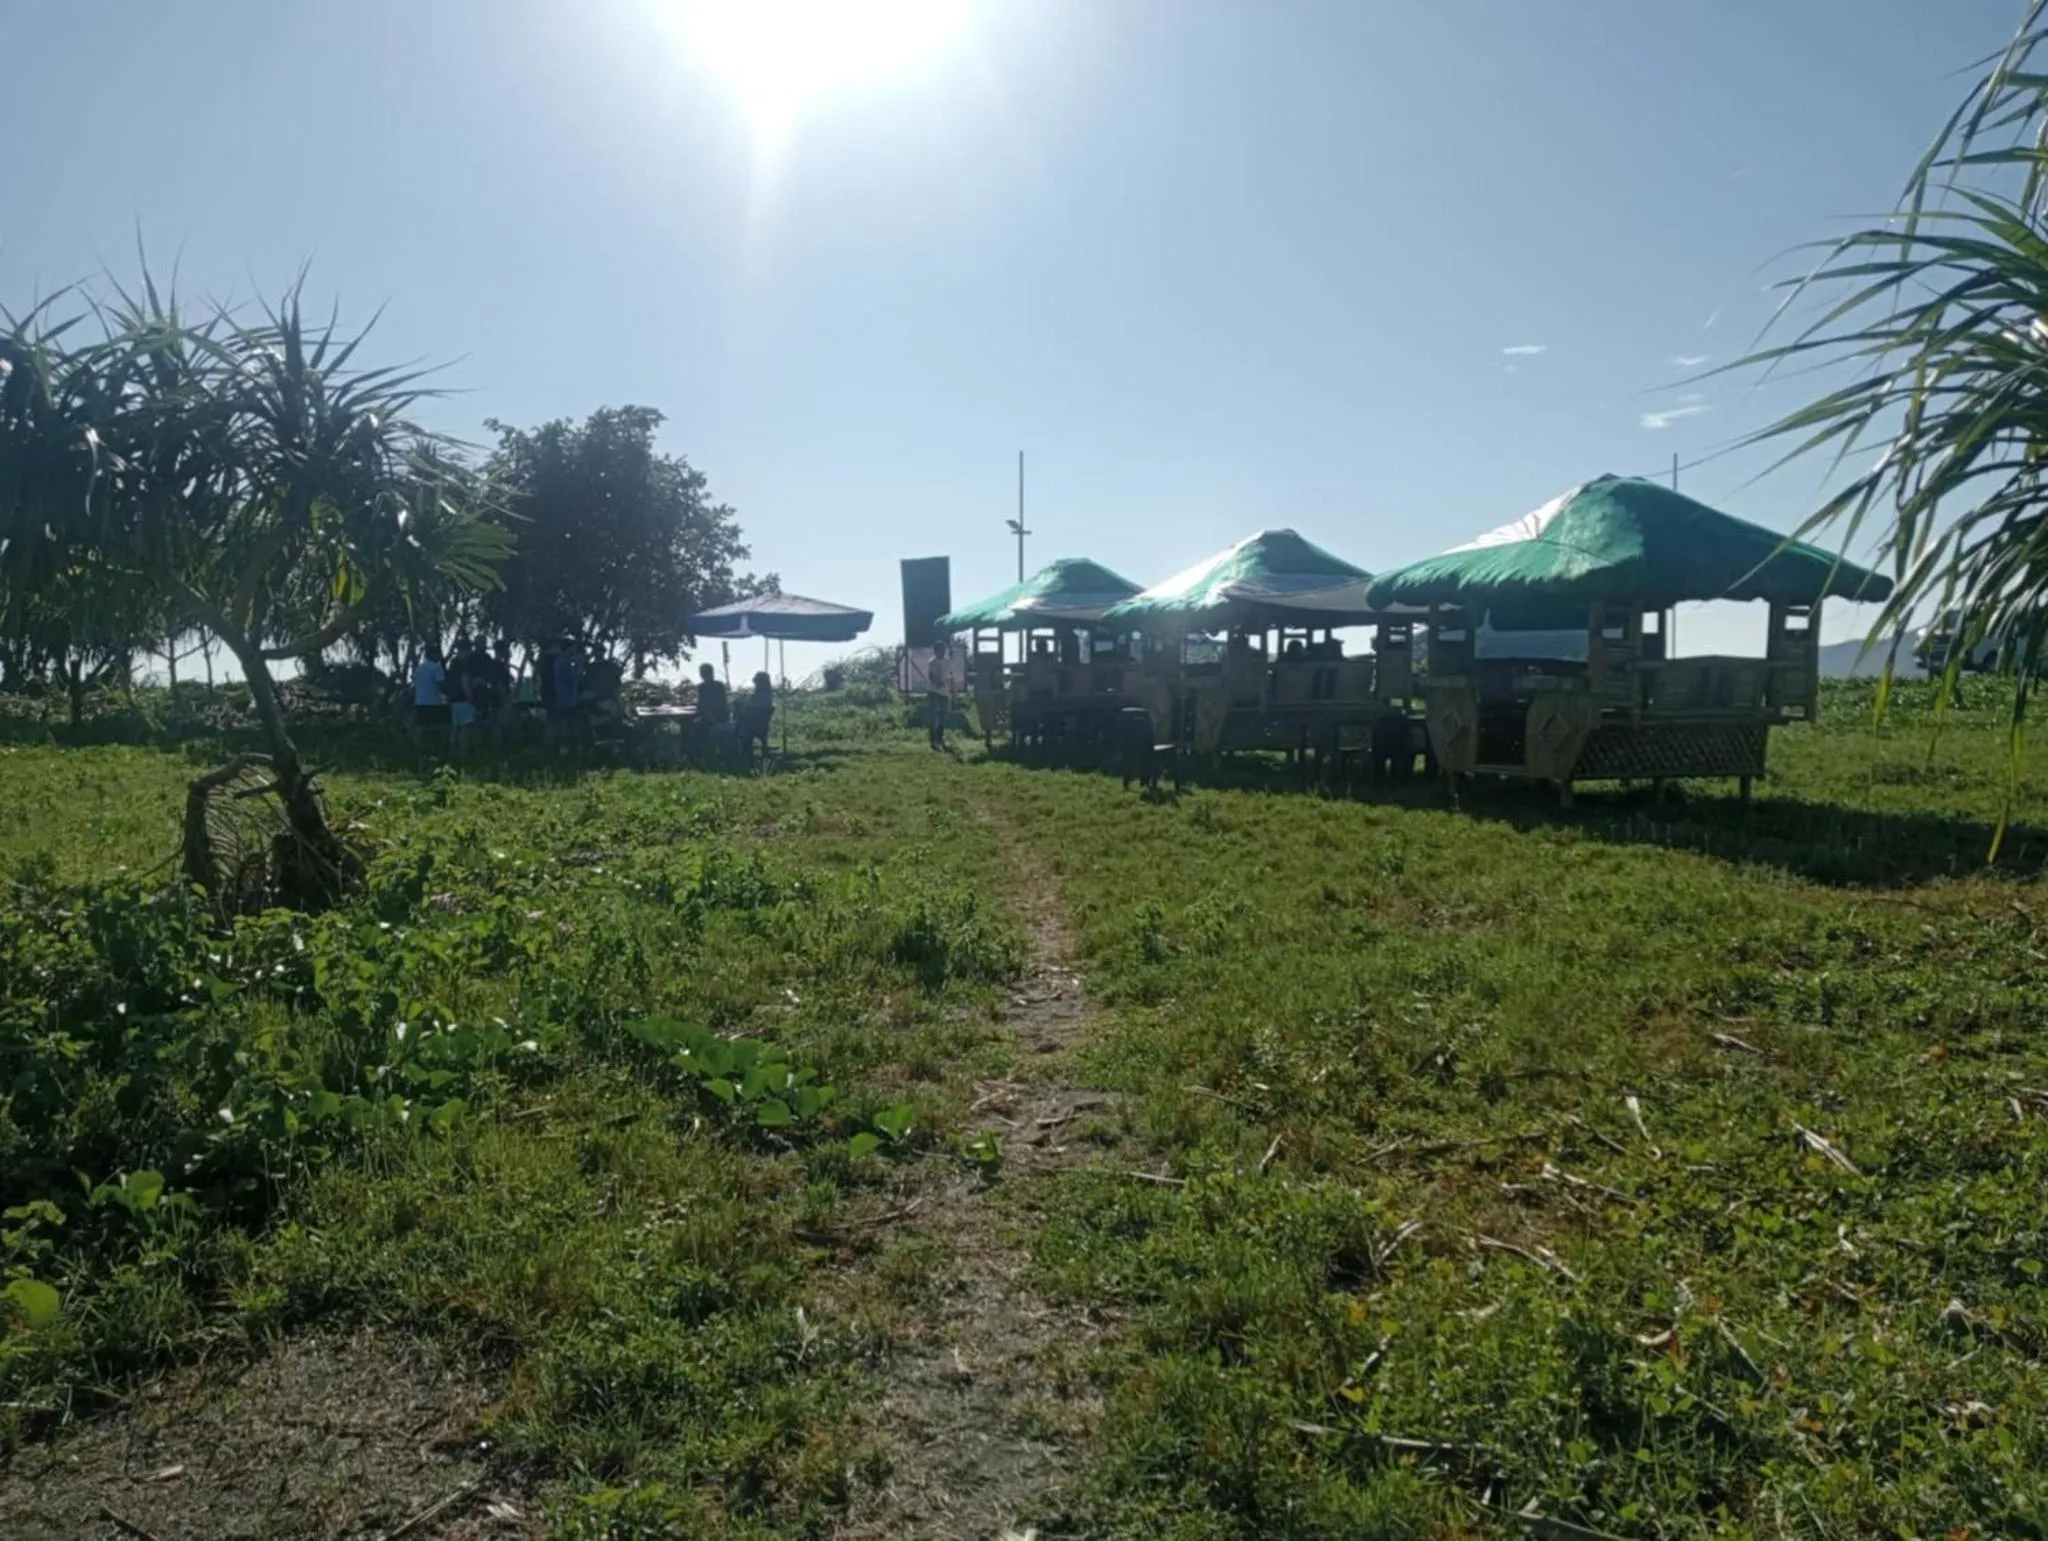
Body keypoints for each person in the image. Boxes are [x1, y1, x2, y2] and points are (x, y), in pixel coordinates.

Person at [738, 671, 774, 767]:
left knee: (739, 723)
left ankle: (744, 756)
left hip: (752, 726)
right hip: (763, 726)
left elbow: (747, 707)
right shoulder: (768, 696)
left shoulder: (759, 697)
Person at [413, 644, 448, 737]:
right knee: (440, 725)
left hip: (420, 701)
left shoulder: (419, 668)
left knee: (421, 726)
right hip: (433, 701)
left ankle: (416, 746)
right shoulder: (436, 667)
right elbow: (441, 684)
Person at [926, 638, 950, 751]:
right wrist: (937, 681)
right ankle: (933, 740)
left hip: (944, 692)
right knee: (933, 716)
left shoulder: (948, 661)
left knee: (943, 716)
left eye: (943, 649)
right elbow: (931, 675)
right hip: (934, 691)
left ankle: (940, 738)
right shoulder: (932, 662)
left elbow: (949, 675)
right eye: (940, 649)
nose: (943, 651)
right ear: (936, 651)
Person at [695, 662, 729, 727]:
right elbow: (701, 704)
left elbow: (721, 703)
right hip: (707, 717)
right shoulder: (701, 687)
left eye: (706, 673)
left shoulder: (718, 686)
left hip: (718, 718)